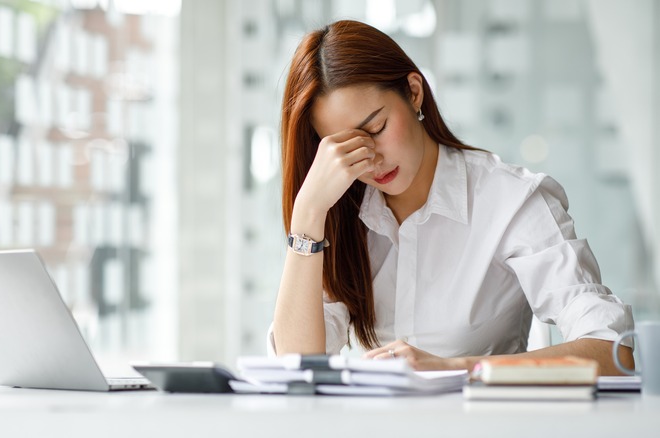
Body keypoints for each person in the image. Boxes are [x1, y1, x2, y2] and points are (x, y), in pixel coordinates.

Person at [270, 20, 634, 375]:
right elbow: (296, 368)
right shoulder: (339, 215)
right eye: (345, 150)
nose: (371, 160)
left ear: (414, 92)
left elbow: (611, 351)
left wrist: (456, 368)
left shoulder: (509, 199)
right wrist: (308, 213)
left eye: (376, 129)